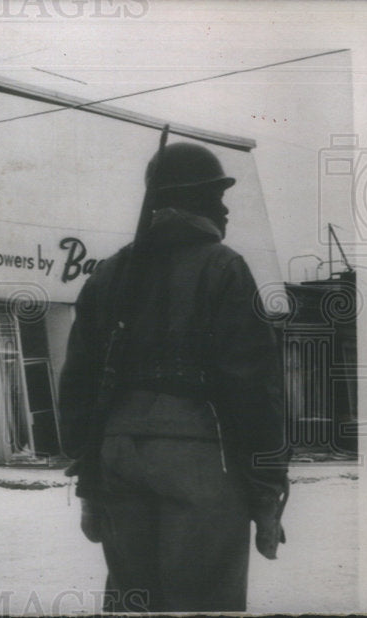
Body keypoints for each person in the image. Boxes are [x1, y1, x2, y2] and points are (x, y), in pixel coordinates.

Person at [58, 141, 289, 613]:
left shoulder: (107, 275)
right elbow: (252, 385)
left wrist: (87, 479)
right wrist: (267, 485)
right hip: (199, 454)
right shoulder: (224, 267)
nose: (225, 210)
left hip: (116, 452)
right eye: (216, 195)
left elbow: (77, 384)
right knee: (201, 602)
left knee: (134, 601)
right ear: (195, 200)